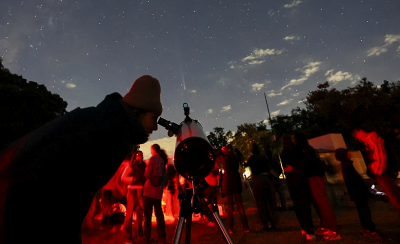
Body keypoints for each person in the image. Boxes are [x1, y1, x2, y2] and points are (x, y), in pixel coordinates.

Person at [0, 75, 162, 244]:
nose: (155, 127)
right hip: (22, 214)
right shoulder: (108, 133)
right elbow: (67, 199)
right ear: (138, 110)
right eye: (153, 118)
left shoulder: (109, 123)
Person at [292, 132, 341, 241]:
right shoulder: (306, 149)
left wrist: (294, 168)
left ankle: (333, 229)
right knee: (318, 203)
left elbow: (307, 162)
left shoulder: (307, 149)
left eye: (295, 139)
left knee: (323, 203)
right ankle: (325, 225)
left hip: (315, 177)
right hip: (311, 178)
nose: (294, 141)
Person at [335, 148, 380, 239]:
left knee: (362, 211)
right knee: (364, 211)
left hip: (357, 192)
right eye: (347, 153)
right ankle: (371, 230)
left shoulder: (346, 164)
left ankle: (368, 229)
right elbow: (353, 180)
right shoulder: (347, 165)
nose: (349, 154)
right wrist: (364, 189)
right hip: (358, 192)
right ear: (343, 155)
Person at [352, 127, 400, 212]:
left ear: (360, 131)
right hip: (382, 173)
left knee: (394, 197)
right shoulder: (369, 142)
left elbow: (380, 158)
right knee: (394, 196)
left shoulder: (373, 140)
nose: (356, 137)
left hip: (383, 174)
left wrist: (375, 171)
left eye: (355, 134)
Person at [280, 135, 315, 241]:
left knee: (297, 205)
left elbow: (285, 167)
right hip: (300, 179)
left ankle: (303, 227)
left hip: (291, 180)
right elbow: (304, 163)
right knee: (304, 205)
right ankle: (309, 231)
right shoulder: (298, 150)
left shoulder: (283, 153)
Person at [217, 144, 250, 234]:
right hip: (236, 180)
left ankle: (230, 228)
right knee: (240, 205)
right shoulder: (236, 158)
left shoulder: (223, 158)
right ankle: (246, 227)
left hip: (227, 181)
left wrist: (220, 151)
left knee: (230, 206)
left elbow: (215, 156)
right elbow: (241, 155)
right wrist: (236, 149)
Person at [245, 143, 278, 231]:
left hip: (257, 180)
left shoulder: (252, 159)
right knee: (270, 202)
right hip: (266, 179)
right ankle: (274, 223)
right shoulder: (263, 157)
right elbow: (269, 168)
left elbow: (247, 165)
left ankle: (266, 224)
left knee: (261, 203)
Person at [142, 144, 168, 244]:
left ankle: (146, 238)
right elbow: (165, 177)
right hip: (158, 192)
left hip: (149, 191)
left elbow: (147, 175)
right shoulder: (163, 160)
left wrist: (146, 166)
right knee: (159, 215)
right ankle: (162, 238)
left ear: (153, 150)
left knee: (148, 216)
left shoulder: (152, 159)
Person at [121, 150, 147, 243]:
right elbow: (123, 177)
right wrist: (132, 179)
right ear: (134, 156)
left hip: (141, 190)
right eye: (138, 155)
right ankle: (127, 238)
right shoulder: (130, 166)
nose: (139, 156)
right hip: (132, 191)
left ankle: (140, 235)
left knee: (140, 215)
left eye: (141, 155)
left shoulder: (144, 166)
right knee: (129, 215)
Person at [199, 158, 221, 227]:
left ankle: (211, 219)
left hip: (208, 186)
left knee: (209, 204)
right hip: (213, 185)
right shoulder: (214, 164)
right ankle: (216, 219)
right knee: (214, 203)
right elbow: (218, 176)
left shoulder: (207, 165)